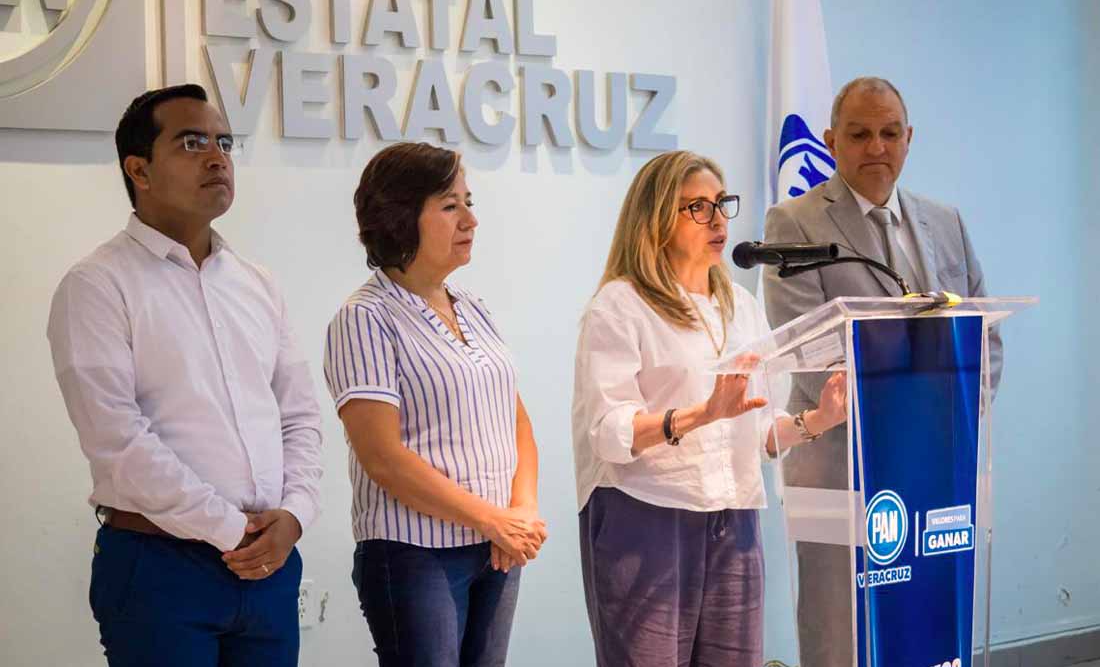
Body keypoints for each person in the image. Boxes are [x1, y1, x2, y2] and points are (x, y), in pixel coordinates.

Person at [46, 84, 323, 666]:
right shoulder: (97, 285)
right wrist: (229, 528)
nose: (217, 157)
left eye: (224, 143)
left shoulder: (257, 284)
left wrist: (295, 516)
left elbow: (298, 415)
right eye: (192, 143)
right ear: (139, 170)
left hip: (269, 566)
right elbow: (117, 439)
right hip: (159, 565)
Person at [572, 150, 848, 667]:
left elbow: (759, 431)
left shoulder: (741, 306)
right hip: (646, 514)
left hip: (732, 517)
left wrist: (818, 420)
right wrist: (703, 414)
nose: (718, 219)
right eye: (697, 207)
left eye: (721, 203)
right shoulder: (620, 305)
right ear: (655, 219)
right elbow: (608, 432)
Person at [762, 76, 1003, 667]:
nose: (877, 147)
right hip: (842, 471)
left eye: (890, 133)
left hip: (938, 473)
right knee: (841, 636)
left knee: (930, 628)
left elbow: (986, 338)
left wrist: (952, 423)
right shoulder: (795, 223)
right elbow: (808, 350)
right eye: (860, 134)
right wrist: (898, 427)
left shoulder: (946, 221)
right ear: (831, 141)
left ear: (908, 138)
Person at [322, 142, 547, 667]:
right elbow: (382, 458)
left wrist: (522, 510)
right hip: (413, 553)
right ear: (400, 216)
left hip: (496, 546)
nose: (470, 219)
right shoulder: (365, 317)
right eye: (450, 206)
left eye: (469, 202)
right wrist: (491, 519)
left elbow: (515, 420)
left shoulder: (474, 307)